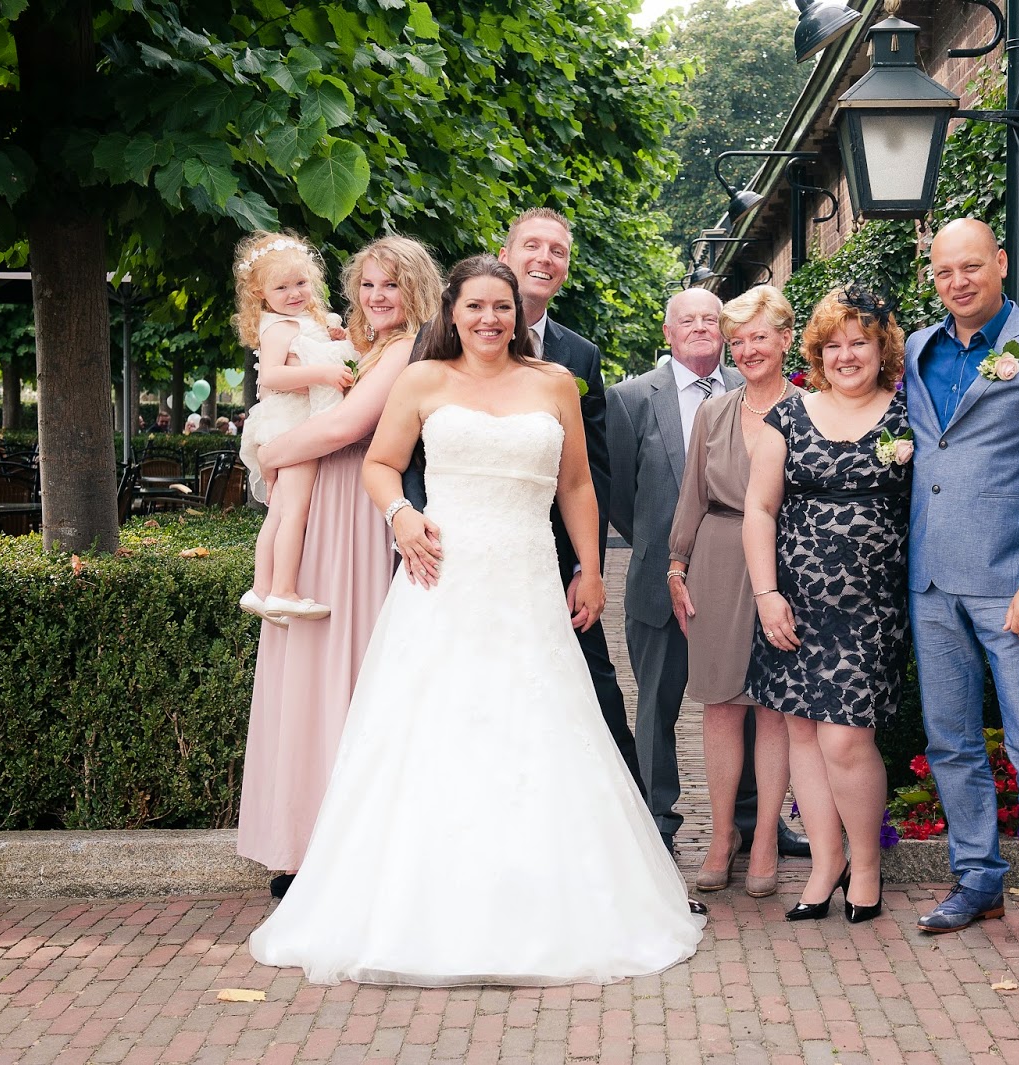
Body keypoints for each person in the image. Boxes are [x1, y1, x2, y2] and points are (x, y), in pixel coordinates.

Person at [249, 256, 704, 985]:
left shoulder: (554, 383)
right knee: (432, 729)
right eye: (475, 307)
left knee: (540, 728)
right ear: (452, 314)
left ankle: (546, 904)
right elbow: (380, 464)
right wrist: (401, 516)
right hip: (441, 578)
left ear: (517, 315)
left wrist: (590, 568)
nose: (489, 319)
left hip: (527, 580)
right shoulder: (423, 379)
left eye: (502, 307)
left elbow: (577, 484)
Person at [396, 208, 641, 790]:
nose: (544, 258)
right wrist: (409, 522)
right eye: (533, 245)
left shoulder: (574, 361)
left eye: (558, 251)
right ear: (505, 257)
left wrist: (588, 567)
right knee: (445, 700)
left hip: (542, 561)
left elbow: (586, 475)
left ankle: (633, 817)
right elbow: (405, 457)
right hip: (444, 556)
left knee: (586, 698)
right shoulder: (430, 356)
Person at [904, 218, 1019, 957]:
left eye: (971, 266)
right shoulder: (918, 349)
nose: (958, 281)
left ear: (1002, 263)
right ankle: (978, 879)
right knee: (950, 741)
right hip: (931, 581)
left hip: (1010, 584)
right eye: (944, 271)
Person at [236, 234, 444, 899]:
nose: (377, 296)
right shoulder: (360, 344)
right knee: (307, 665)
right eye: (368, 284)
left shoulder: (405, 349)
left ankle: (334, 846)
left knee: (337, 666)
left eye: (391, 284)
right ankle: (300, 840)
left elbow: (343, 427)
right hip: (322, 506)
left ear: (416, 290)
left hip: (351, 511)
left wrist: (270, 454)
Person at [743, 286, 911, 925]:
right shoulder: (789, 417)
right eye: (834, 345)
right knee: (803, 734)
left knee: (845, 739)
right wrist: (767, 596)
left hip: (871, 611)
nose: (846, 356)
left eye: (859, 342)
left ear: (882, 349)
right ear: (817, 353)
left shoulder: (910, 417)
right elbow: (760, 509)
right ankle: (825, 862)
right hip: (793, 606)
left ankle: (865, 867)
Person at [665, 285, 796, 898]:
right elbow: (692, 493)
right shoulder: (714, 412)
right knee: (719, 703)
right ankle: (722, 837)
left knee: (775, 707)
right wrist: (677, 566)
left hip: (783, 563)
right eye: (737, 341)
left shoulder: (810, 410)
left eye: (759, 337)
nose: (747, 350)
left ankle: (765, 836)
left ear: (785, 340)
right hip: (717, 559)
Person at [607, 289, 745, 853]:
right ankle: (657, 822)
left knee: (746, 706)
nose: (700, 327)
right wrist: (664, 550)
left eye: (711, 319)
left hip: (738, 578)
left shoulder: (750, 387)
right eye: (687, 320)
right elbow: (619, 493)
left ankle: (751, 821)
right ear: (668, 333)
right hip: (656, 581)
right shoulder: (631, 399)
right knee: (656, 706)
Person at [232, 231, 360, 624]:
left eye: (301, 283)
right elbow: (271, 376)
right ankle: (284, 591)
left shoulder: (301, 322)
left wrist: (335, 339)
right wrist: (323, 373)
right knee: (295, 511)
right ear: (260, 293)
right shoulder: (279, 327)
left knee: (280, 512)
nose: (293, 293)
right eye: (281, 287)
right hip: (291, 422)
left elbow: (308, 354)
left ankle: (261, 589)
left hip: (286, 421)